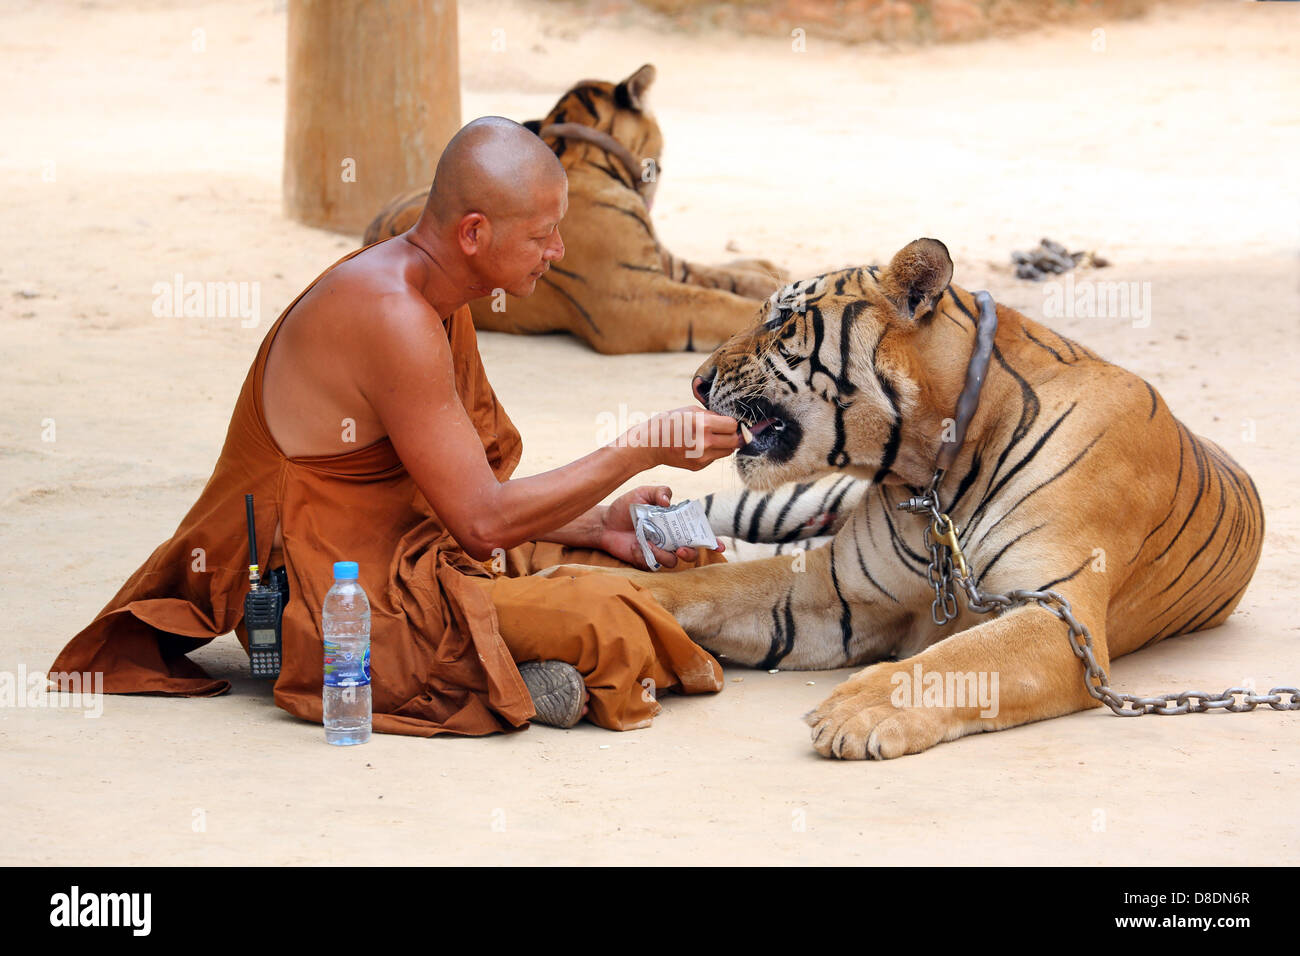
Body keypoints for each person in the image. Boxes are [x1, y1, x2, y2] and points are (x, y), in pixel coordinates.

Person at [50, 116, 741, 736]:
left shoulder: (443, 292)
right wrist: (641, 448)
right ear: (474, 233)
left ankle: (503, 666)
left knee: (673, 563)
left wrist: (600, 524)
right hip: (335, 592)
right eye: (542, 234)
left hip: (418, 545)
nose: (559, 250)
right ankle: (485, 676)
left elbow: (448, 496)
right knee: (609, 613)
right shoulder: (393, 317)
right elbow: (483, 522)